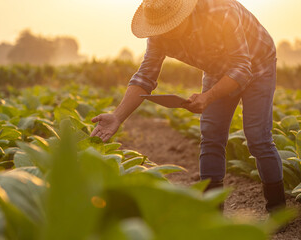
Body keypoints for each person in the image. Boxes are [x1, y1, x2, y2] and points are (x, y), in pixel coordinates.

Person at [90, 0, 286, 213]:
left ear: (185, 13)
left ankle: (278, 210)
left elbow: (241, 67)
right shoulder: (159, 34)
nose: (165, 33)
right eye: (161, 28)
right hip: (217, 69)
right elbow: (145, 76)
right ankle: (212, 214)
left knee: (257, 137)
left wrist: (208, 97)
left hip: (258, 64)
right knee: (211, 135)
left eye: (170, 26)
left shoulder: (220, 11)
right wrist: (117, 116)